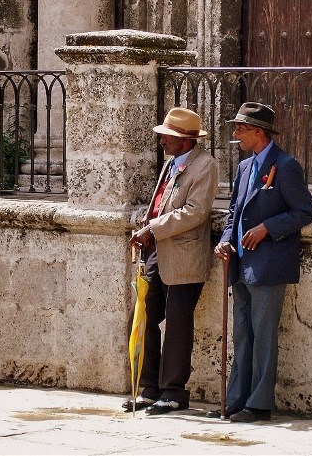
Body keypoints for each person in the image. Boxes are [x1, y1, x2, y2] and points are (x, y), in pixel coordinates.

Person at [207, 102, 312, 423]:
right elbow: (234, 212)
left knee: (264, 336)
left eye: (241, 129)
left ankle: (259, 404)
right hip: (240, 263)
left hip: (268, 265)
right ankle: (235, 400)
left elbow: (304, 211)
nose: (236, 134)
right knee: (242, 334)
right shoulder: (244, 167)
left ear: (258, 132)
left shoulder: (286, 165)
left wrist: (267, 227)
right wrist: (226, 240)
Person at [125, 107, 218, 415]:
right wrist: (146, 227)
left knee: (177, 324)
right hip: (158, 252)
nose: (162, 140)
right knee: (144, 315)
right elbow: (161, 205)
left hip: (184, 257)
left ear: (186, 140)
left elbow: (195, 211)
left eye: (168, 136)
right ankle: (149, 387)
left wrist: (153, 228)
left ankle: (174, 391)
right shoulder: (170, 164)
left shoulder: (205, 165)